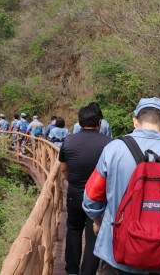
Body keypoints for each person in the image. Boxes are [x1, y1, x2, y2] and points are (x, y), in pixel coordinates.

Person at [82, 97, 160, 275]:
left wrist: (98, 221)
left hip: (115, 252)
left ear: (135, 121)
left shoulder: (113, 149)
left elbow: (92, 195)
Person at [59, 105, 112, 275]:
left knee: (73, 229)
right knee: (93, 236)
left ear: (79, 122)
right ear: (99, 122)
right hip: (99, 197)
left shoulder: (69, 141)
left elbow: (63, 169)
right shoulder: (110, 145)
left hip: (75, 193)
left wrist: (73, 182)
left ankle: (72, 270)